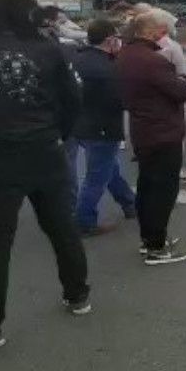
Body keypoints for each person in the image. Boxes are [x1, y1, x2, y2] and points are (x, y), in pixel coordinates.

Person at [0, 0, 92, 350]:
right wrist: (56, 134)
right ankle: (78, 295)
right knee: (62, 226)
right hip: (45, 149)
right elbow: (73, 100)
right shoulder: (48, 48)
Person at [117, 12, 186, 264]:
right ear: (150, 32)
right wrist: (184, 79)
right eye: (162, 31)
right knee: (162, 191)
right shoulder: (153, 61)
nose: (164, 35)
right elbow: (180, 91)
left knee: (147, 187)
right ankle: (156, 246)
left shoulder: (125, 55)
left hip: (143, 130)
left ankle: (148, 238)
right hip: (163, 132)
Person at [66, 19, 136, 236]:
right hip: (102, 127)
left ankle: (129, 203)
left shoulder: (76, 59)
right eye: (117, 38)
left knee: (109, 169)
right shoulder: (107, 68)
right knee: (97, 176)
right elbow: (121, 101)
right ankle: (84, 220)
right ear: (109, 40)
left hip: (80, 124)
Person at [149, 7, 186, 182]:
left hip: (148, 98)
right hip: (170, 97)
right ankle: (176, 169)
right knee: (175, 135)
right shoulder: (171, 47)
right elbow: (183, 74)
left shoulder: (135, 45)